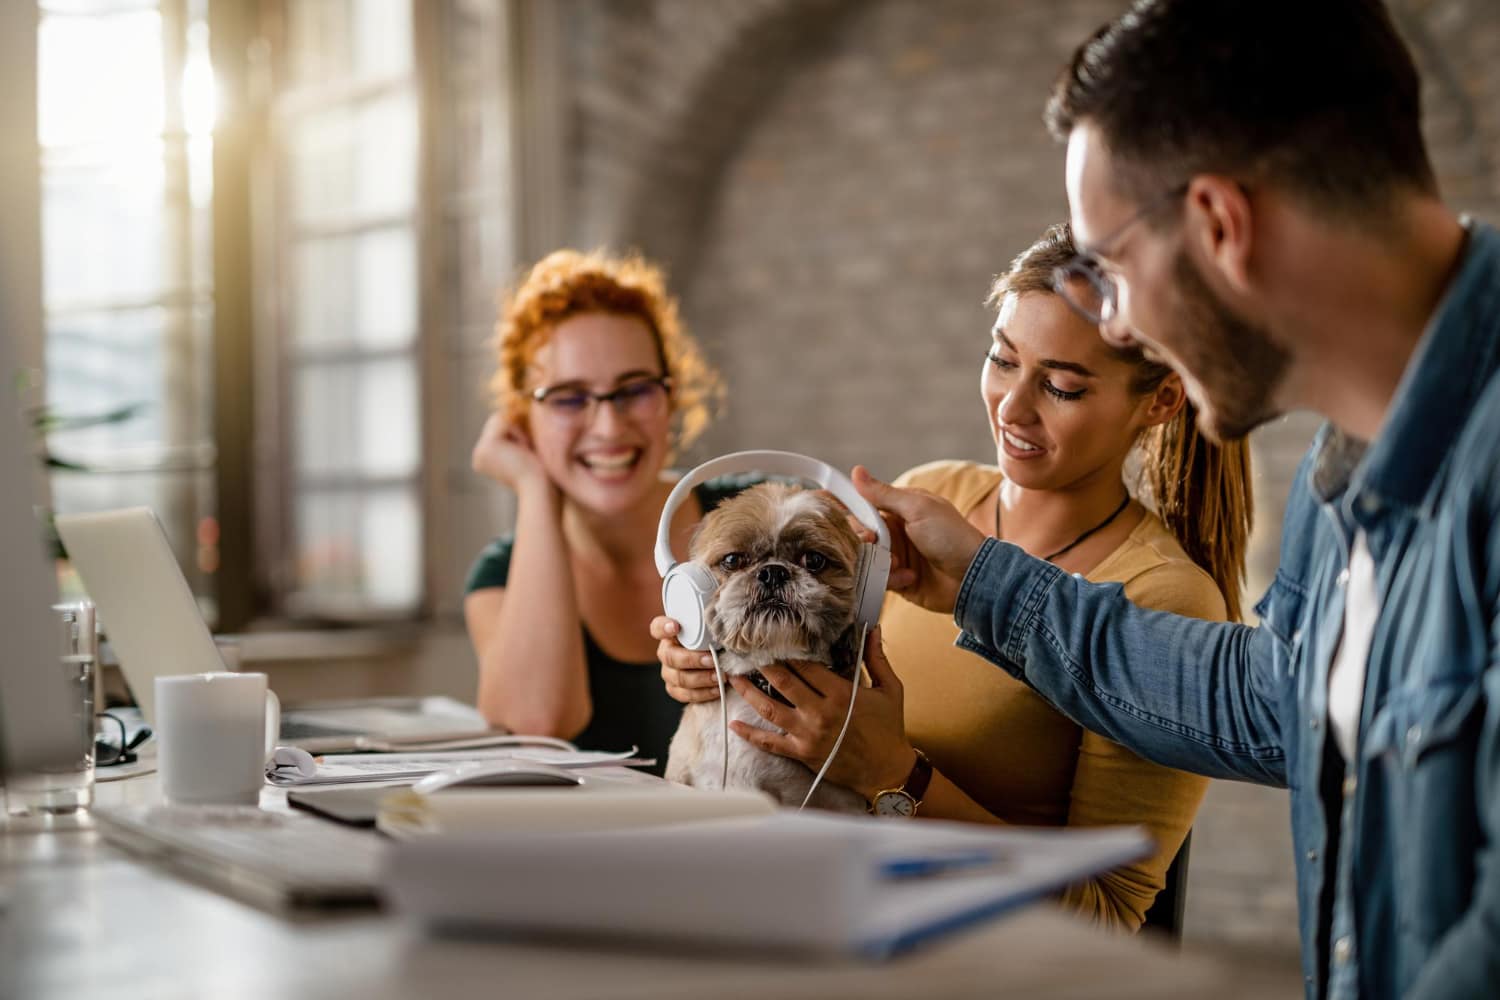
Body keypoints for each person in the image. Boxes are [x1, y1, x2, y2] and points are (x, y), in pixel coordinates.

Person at [830, 2, 1495, 997]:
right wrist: (979, 580)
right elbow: (1267, 698)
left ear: (1220, 225)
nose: (1122, 314)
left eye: (1112, 269)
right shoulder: (1340, 469)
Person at [656, 223, 1254, 931]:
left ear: (1158, 401)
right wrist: (705, 661)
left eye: (1061, 386)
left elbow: (1107, 916)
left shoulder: (1165, 597)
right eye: (1002, 360)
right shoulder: (926, 499)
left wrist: (895, 779)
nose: (1011, 406)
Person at [465, 248, 749, 773]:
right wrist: (534, 489)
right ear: (521, 418)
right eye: (569, 398)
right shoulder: (500, 575)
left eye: (635, 389)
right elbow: (537, 725)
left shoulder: (760, 514)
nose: (609, 428)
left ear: (672, 396)